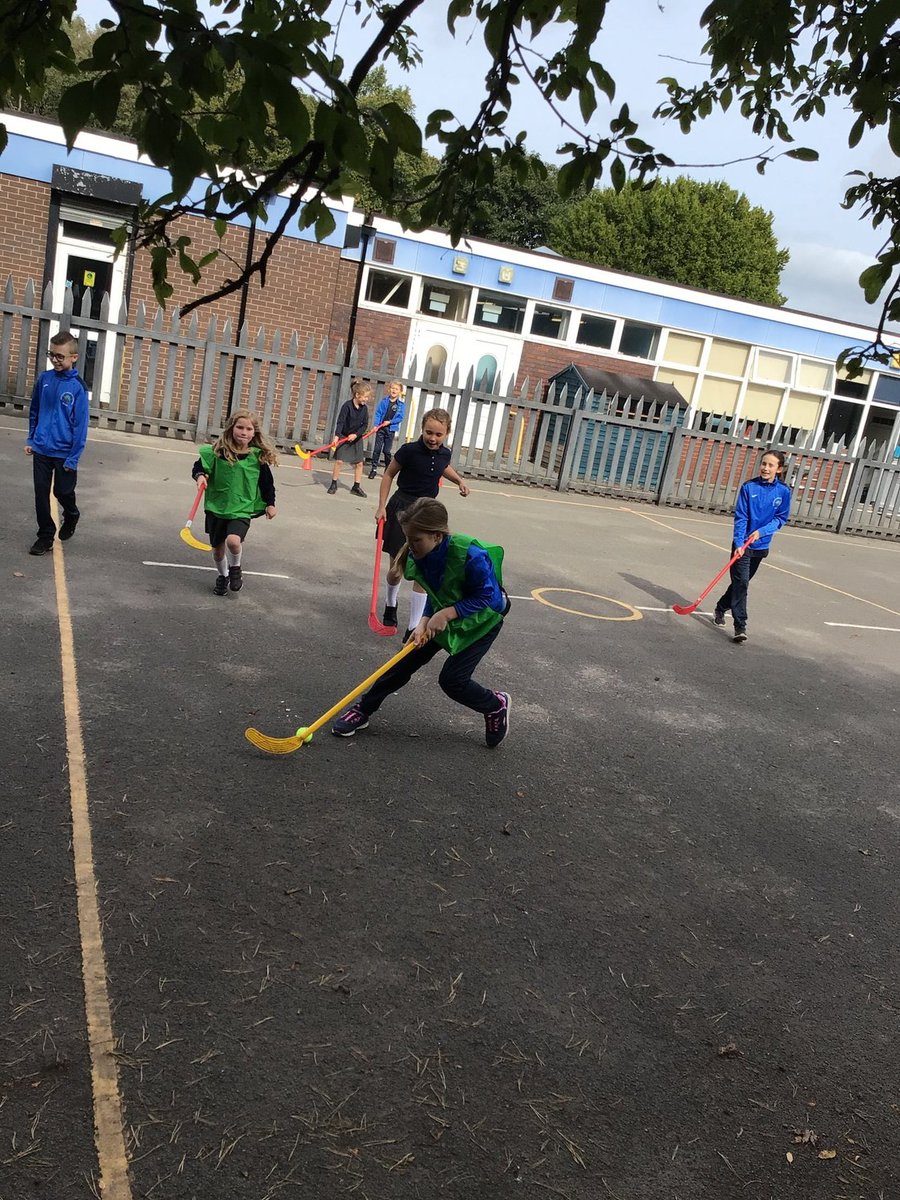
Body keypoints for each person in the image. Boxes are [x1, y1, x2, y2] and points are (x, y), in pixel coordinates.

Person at [332, 497, 511, 746]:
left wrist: (446, 614)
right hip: (444, 615)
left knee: (452, 681)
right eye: (408, 538)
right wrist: (424, 620)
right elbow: (436, 590)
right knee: (403, 661)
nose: (411, 545)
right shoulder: (421, 554)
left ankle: (495, 705)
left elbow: (488, 597)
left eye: (417, 540)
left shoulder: (470, 555)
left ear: (437, 536)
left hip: (483, 622)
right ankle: (364, 710)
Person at [374, 407, 470, 637]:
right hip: (402, 509)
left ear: (446, 433)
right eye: (429, 432)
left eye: (438, 435)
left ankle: (412, 626)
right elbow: (388, 474)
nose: (433, 438)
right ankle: (390, 602)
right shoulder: (408, 451)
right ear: (422, 429)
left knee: (425, 572)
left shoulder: (444, 454)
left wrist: (459, 480)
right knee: (397, 569)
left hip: (427, 514)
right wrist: (381, 506)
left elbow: (442, 467)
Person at [191, 410, 278, 596]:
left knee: (233, 541)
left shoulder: (257, 457)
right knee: (217, 552)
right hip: (217, 507)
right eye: (240, 427)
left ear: (254, 433)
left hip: (241, 507)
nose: (244, 432)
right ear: (231, 428)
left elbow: (267, 483)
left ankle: (236, 568)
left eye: (249, 429)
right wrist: (200, 477)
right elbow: (199, 466)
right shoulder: (217, 452)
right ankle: (222, 576)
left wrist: (271, 503)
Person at [714, 448, 791, 643]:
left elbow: (780, 518)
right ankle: (740, 626)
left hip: (761, 544)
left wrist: (762, 531)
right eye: (763, 464)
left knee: (740, 583)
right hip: (743, 545)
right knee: (742, 584)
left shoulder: (783, 492)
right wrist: (739, 542)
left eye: (770, 465)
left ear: (779, 469)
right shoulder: (749, 487)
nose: (765, 468)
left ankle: (721, 607)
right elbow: (741, 517)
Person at [24, 330, 90, 555]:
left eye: (60, 356)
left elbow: (80, 427)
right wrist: (32, 438)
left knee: (63, 492)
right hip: (42, 448)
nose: (55, 359)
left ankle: (71, 514)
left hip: (64, 453)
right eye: (52, 354)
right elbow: (35, 410)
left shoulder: (78, 388)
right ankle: (45, 536)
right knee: (41, 494)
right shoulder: (44, 379)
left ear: (74, 357)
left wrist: (73, 457)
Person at [327, 379, 373, 496]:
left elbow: (365, 425)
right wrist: (337, 436)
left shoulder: (364, 409)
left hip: (356, 438)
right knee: (339, 461)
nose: (366, 399)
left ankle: (356, 487)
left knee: (359, 464)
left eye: (367, 397)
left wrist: (356, 434)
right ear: (357, 395)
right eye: (365, 397)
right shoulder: (346, 406)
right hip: (344, 436)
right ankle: (333, 483)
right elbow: (340, 422)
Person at [368, 379, 406, 478]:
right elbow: (378, 413)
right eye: (392, 388)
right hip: (381, 429)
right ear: (389, 389)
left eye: (396, 389)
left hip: (390, 430)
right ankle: (374, 469)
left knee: (386, 451)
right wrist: (376, 425)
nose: (394, 390)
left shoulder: (400, 405)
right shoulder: (384, 402)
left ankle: (388, 468)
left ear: (400, 391)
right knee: (377, 449)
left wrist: (390, 422)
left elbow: (400, 418)